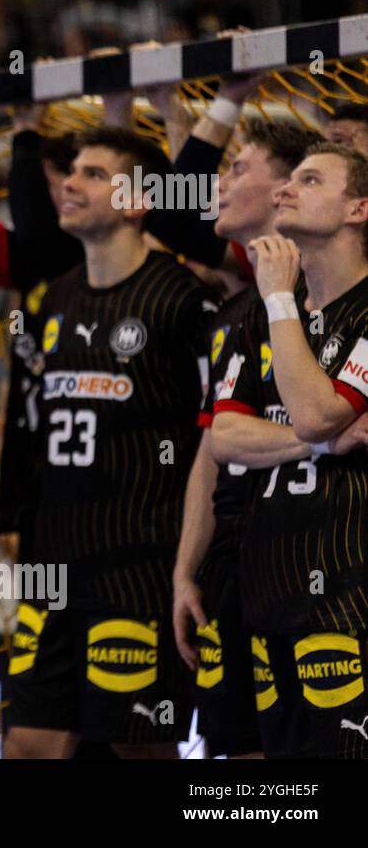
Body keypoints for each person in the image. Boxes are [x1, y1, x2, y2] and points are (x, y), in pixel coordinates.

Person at [3, 127, 215, 758]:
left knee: (139, 748)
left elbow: (213, 437)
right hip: (52, 566)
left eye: (92, 174)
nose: (69, 182)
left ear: (136, 199)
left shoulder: (182, 301)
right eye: (73, 171)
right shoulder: (54, 297)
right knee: (26, 745)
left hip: (139, 564)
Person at [171, 120, 323, 759]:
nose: (219, 183)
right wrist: (185, 570)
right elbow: (219, 445)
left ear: (286, 188)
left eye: (238, 168)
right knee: (237, 757)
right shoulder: (241, 308)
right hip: (239, 559)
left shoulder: (336, 296)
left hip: (325, 559)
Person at [213, 143, 368, 757]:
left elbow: (311, 411)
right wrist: (322, 445)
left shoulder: (302, 307)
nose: (285, 190)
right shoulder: (262, 317)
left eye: (309, 179)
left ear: (359, 208)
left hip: (348, 593)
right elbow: (225, 438)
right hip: (267, 590)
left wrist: (279, 296)